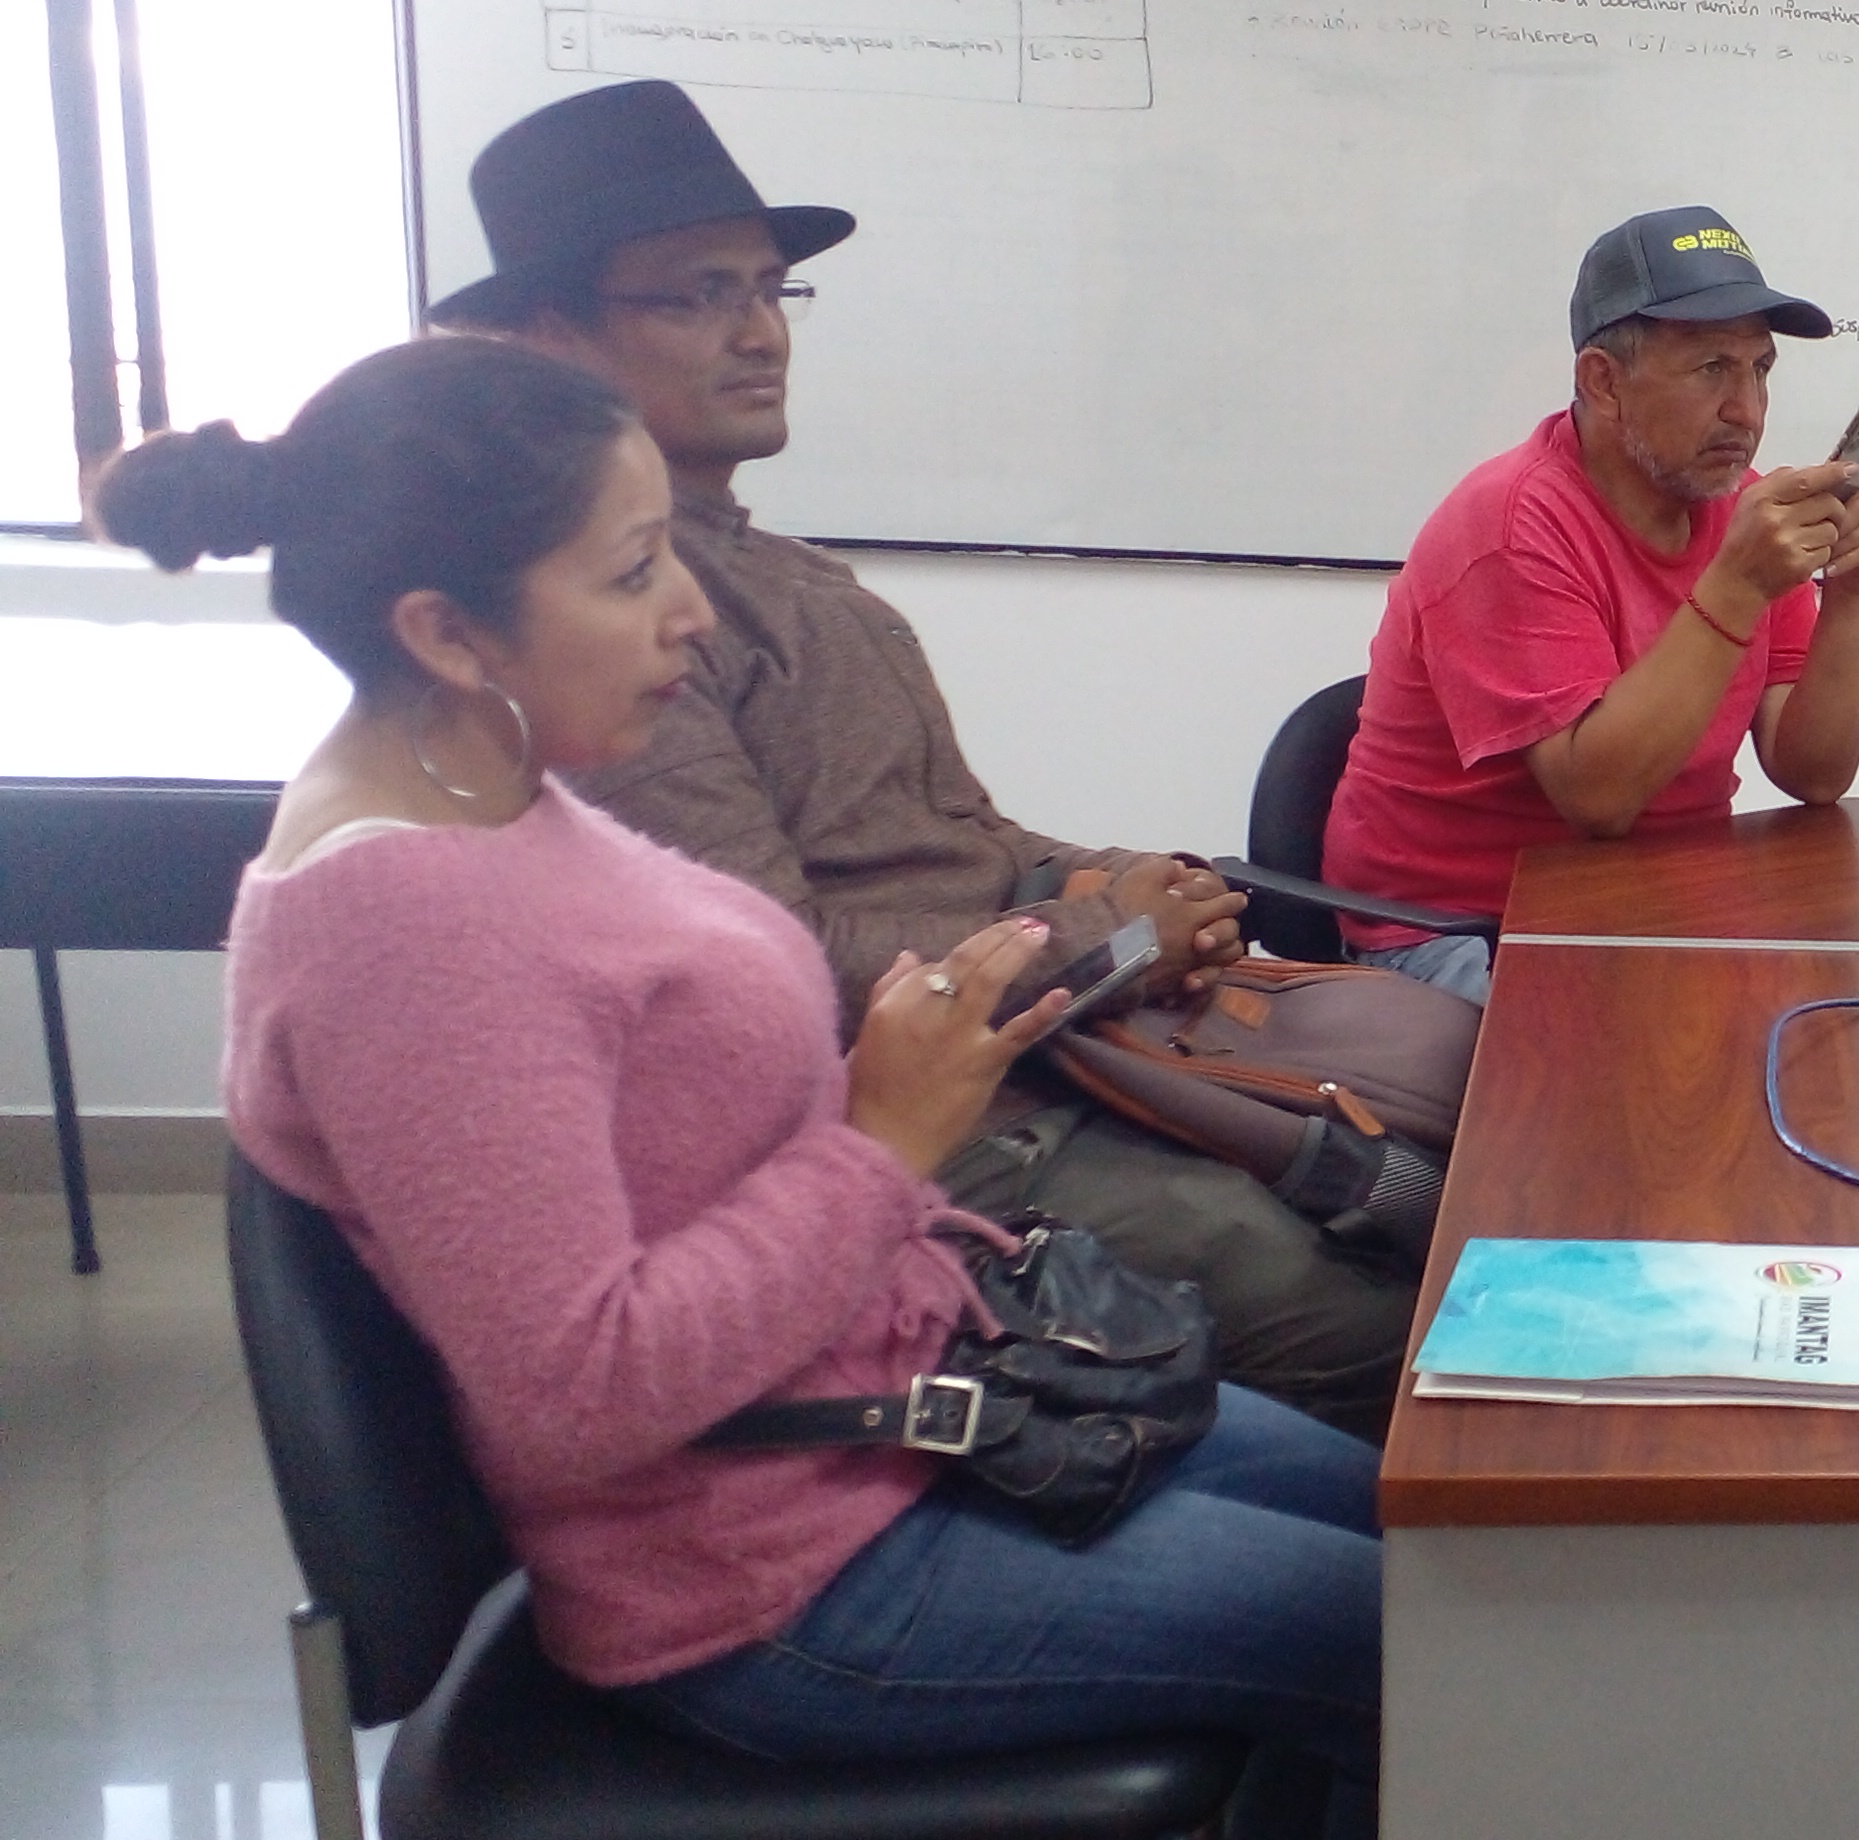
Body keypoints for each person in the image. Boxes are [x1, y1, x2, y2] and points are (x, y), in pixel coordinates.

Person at [110, 335, 1380, 1831]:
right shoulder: (404, 929)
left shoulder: (496, 791)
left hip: (918, 1413)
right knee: (1420, 1632)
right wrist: (883, 1139)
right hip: (773, 1577)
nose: (691, 612)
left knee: (1438, 1542)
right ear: (448, 633)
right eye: (633, 572)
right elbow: (580, 1392)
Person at [423, 80, 1427, 1440]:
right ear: (552, 336)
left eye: (769, 288)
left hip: (1048, 1049)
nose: (759, 331)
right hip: (932, 1126)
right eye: (699, 294)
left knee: (1439, 1189)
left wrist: (1131, 877)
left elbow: (963, 834)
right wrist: (1104, 936)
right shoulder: (607, 641)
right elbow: (772, 969)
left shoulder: (796, 582)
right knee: (1399, 1327)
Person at [1317, 205, 1859, 1005]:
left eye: (1760, 369)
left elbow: (1814, 774)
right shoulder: (1510, 525)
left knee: (1832, 1028)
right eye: (1711, 369)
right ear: (1603, 382)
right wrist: (1734, 588)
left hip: (1650, 903)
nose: (1749, 411)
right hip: (1462, 927)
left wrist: (1853, 596)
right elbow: (1599, 797)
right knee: (1631, 1074)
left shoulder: (1739, 506)